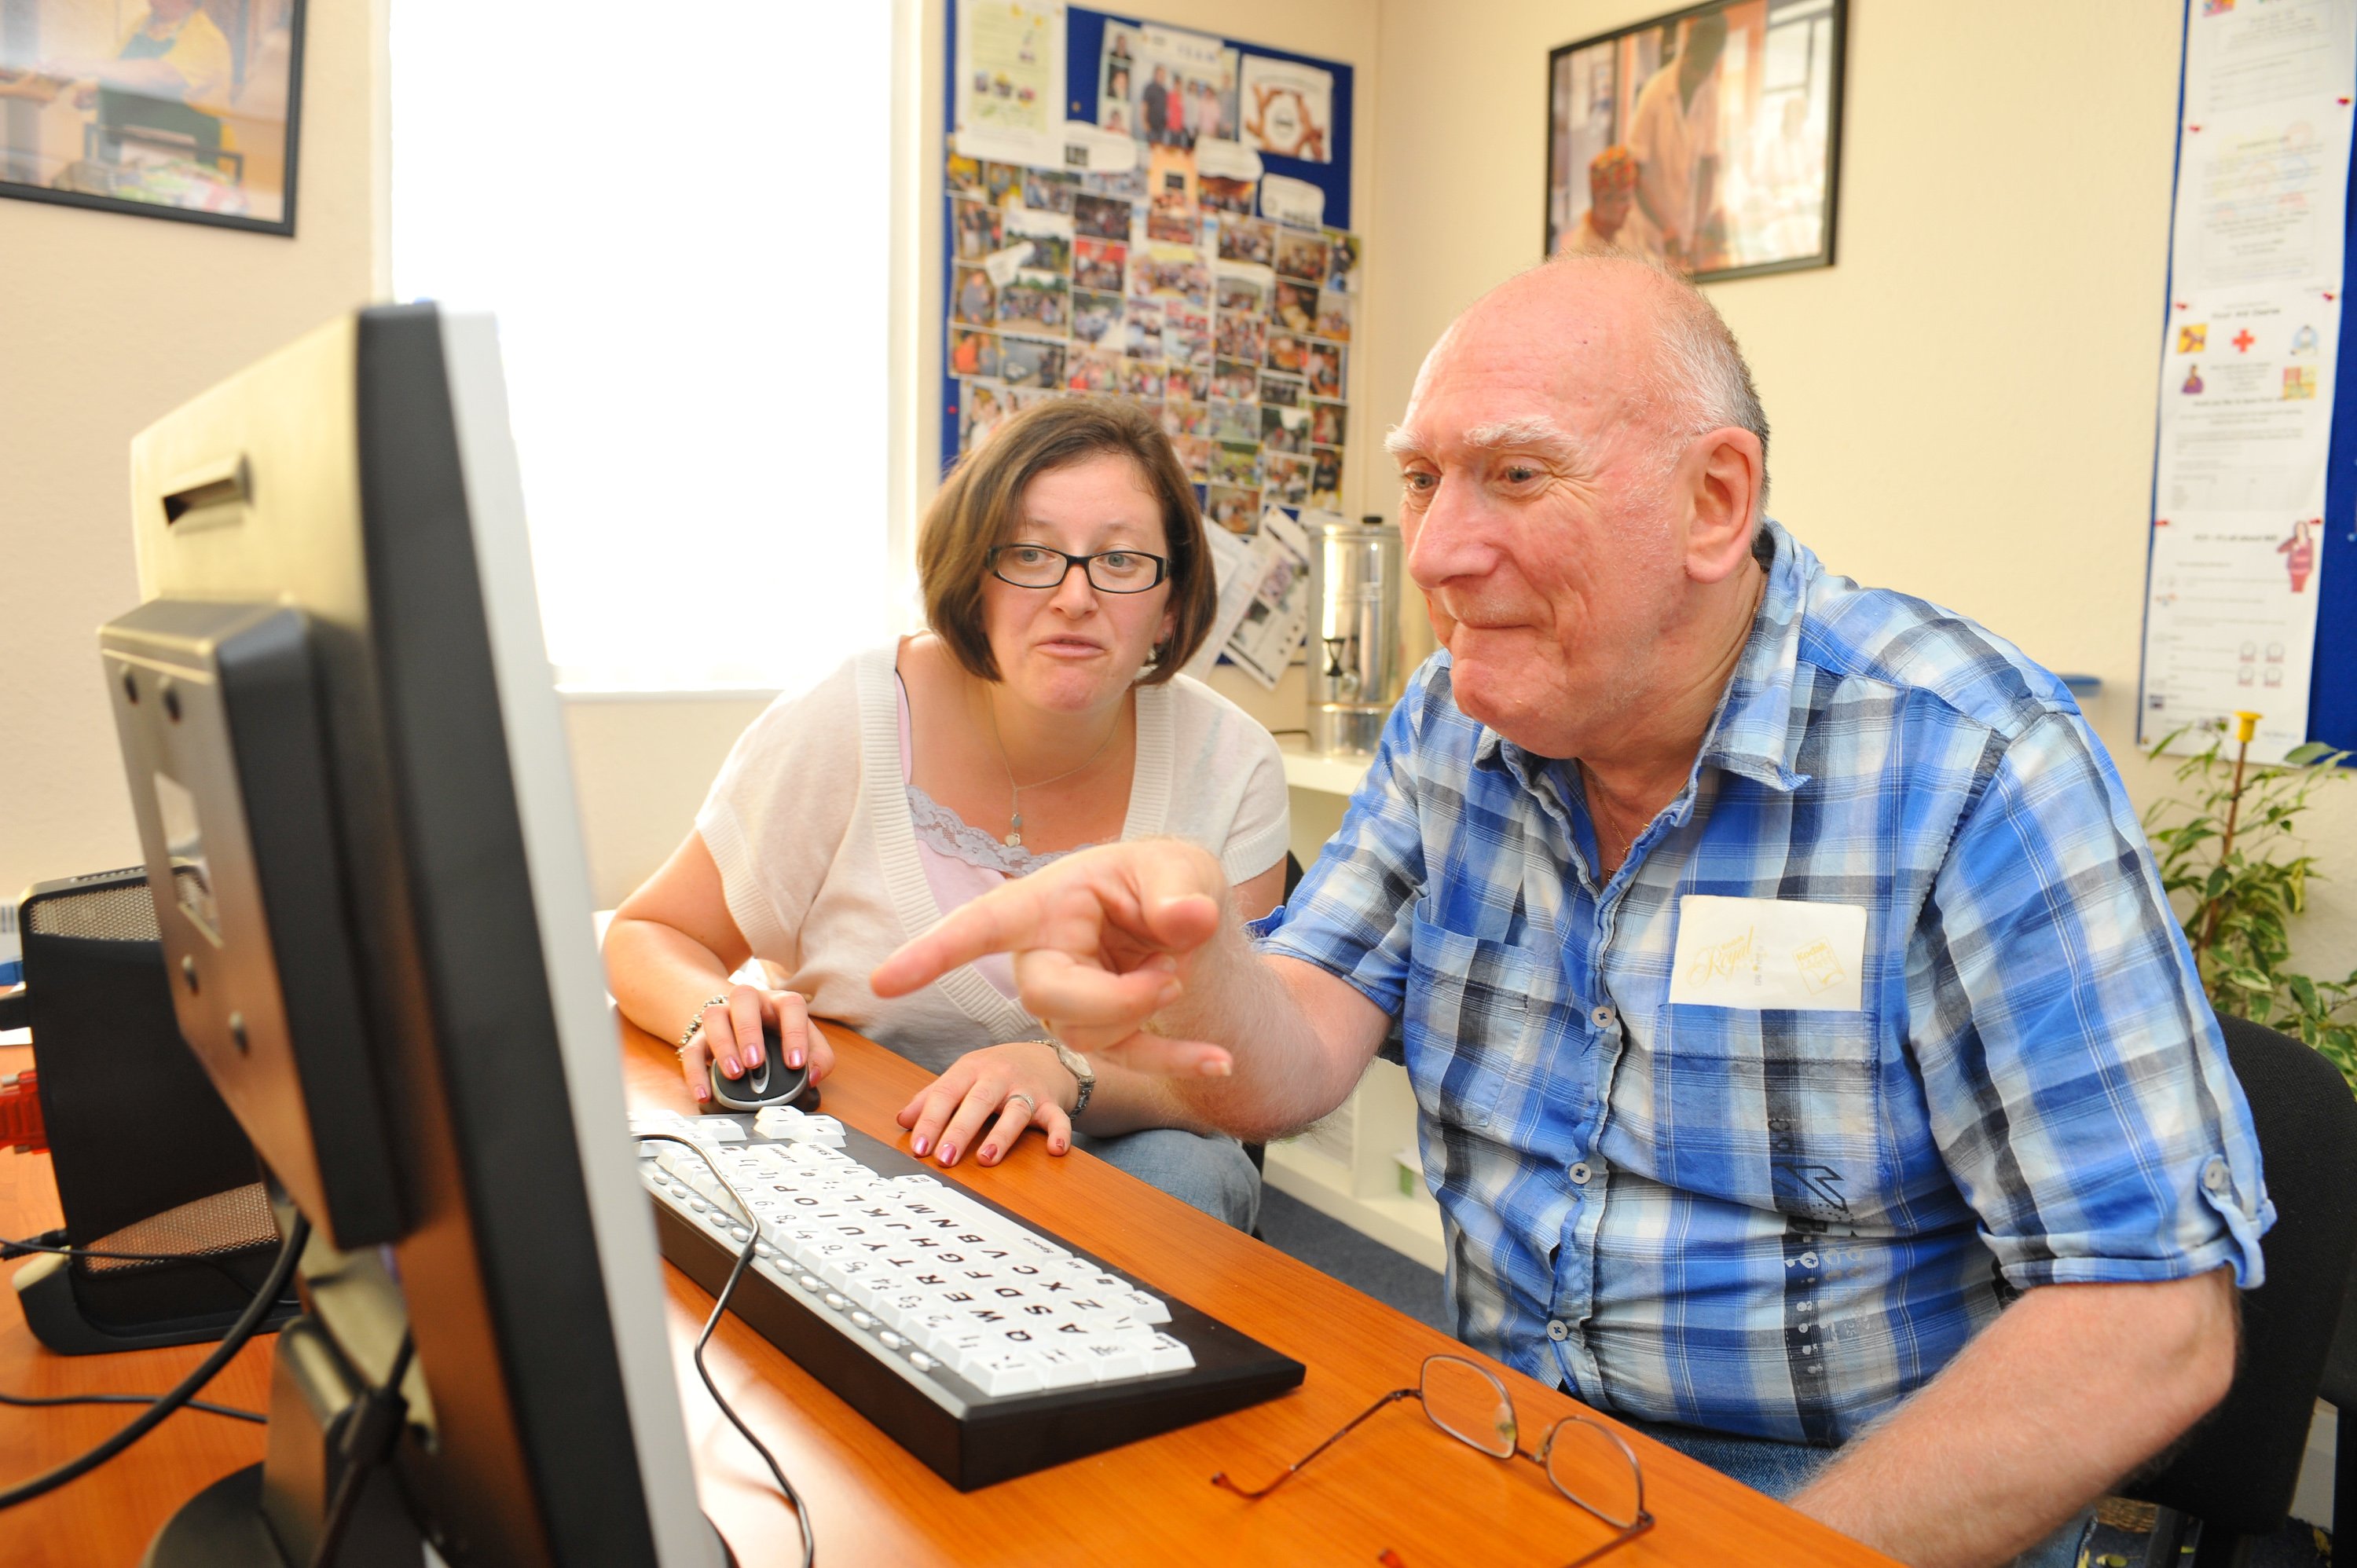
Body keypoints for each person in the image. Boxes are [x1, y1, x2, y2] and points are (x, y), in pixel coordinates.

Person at [874, 255, 2267, 1568]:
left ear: (1716, 502)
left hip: (1843, 1507)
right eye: (1423, 480)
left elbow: (2153, 1319)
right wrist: (1197, 962)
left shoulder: (1970, 760)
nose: (1438, 553)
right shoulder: (1452, 725)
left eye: (1517, 475)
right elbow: (1292, 1051)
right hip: (1505, 1448)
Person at [606, 397, 1288, 1231]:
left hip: (1105, 1149)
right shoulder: (846, 716)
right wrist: (714, 1009)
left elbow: (1238, 1068)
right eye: (1031, 554)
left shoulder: (1235, 762)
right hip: (856, 1142)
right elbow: (650, 934)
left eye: (1119, 560)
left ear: (1173, 603)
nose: (1075, 596)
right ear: (974, 577)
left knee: (1188, 1176)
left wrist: (1059, 1070)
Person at [1625, 13, 1727, 269]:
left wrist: (1698, 229)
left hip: (1685, 221)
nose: (1699, 78)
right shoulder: (1654, 92)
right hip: (1650, 227)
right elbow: (1635, 172)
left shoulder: (1710, 92)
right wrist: (1665, 226)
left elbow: (1708, 165)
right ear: (1687, 54)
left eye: (1705, 71)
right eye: (1696, 69)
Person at [1558, 145, 1638, 255]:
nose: (1629, 207)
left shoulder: (1628, 228)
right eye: (1623, 199)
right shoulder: (1581, 253)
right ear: (1603, 200)